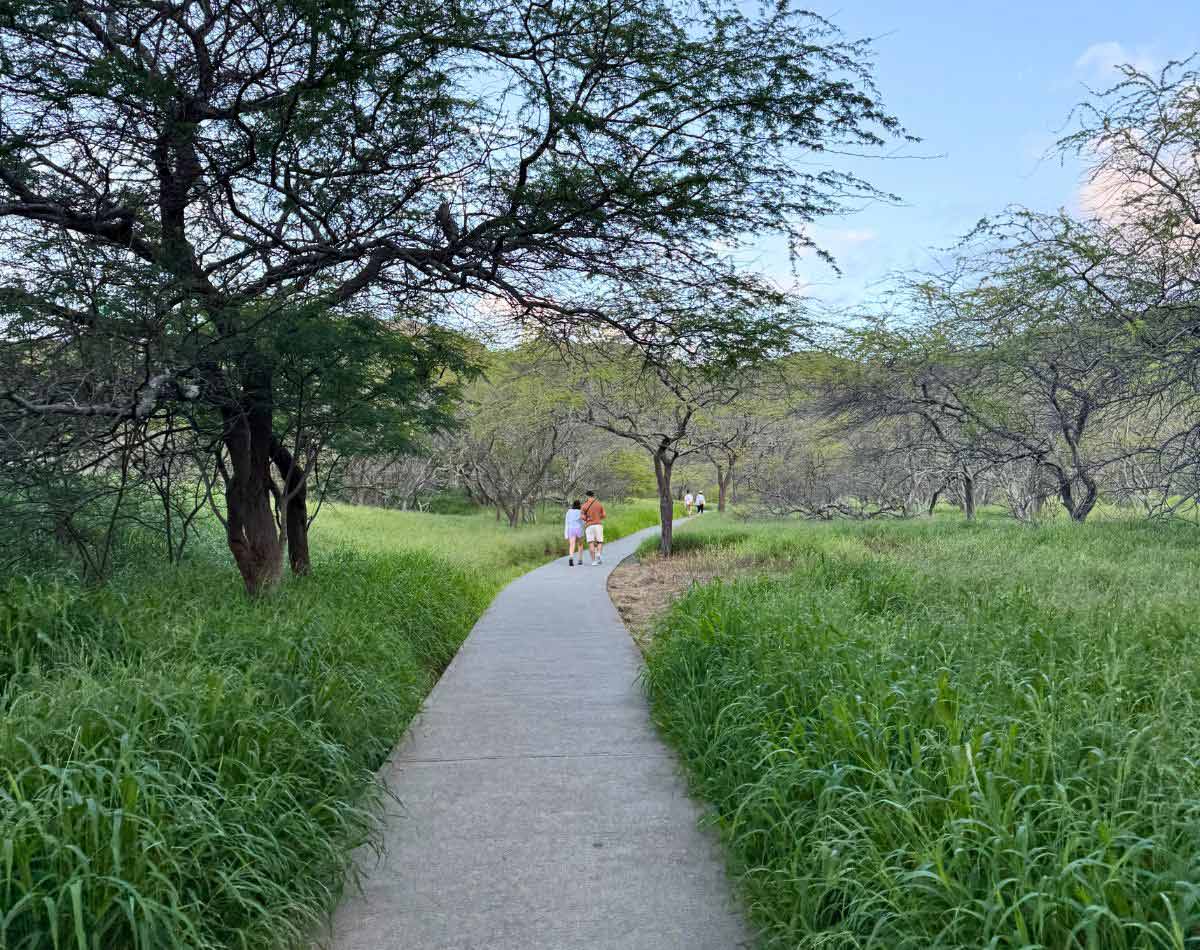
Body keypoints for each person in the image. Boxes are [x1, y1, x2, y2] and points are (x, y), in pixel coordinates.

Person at [581, 490, 606, 565]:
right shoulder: (599, 504)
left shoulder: (584, 505)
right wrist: (598, 517)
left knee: (591, 542)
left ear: (587, 496)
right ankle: (598, 554)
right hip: (598, 525)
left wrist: (587, 519)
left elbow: (582, 516)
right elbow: (604, 515)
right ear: (593, 496)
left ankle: (593, 561)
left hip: (589, 526)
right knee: (600, 541)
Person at [564, 500, 584, 566]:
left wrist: (566, 534)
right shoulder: (581, 512)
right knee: (580, 544)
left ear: (573, 505)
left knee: (572, 545)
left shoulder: (569, 512)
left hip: (571, 529)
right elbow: (583, 522)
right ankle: (580, 559)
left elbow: (566, 522)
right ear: (579, 505)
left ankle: (571, 558)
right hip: (579, 529)